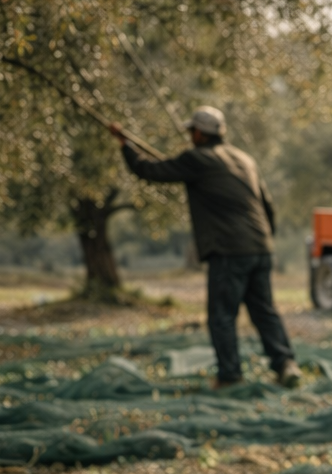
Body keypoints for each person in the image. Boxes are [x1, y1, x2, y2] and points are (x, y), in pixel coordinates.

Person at [111, 106, 301, 390]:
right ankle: (286, 365)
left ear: (200, 133)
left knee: (222, 316)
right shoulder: (244, 158)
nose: (189, 136)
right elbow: (267, 204)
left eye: (191, 132)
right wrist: (264, 240)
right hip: (260, 245)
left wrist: (125, 144)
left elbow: (150, 170)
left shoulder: (197, 159)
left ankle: (230, 376)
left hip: (228, 249)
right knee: (264, 311)